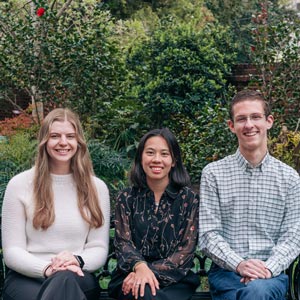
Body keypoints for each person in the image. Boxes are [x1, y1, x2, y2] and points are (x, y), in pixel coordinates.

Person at [199, 89, 300, 300]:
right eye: (241, 119)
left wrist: (266, 269)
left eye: (255, 117)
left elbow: (293, 236)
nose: (249, 125)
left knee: (256, 291)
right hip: (227, 272)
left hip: (270, 275)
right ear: (231, 126)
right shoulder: (214, 174)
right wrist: (240, 265)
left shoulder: (290, 179)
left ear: (269, 121)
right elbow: (209, 235)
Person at [1, 108, 110, 300]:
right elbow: (12, 251)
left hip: (77, 274)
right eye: (55, 136)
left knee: (65, 281)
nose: (63, 142)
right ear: (44, 141)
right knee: (61, 289)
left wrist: (76, 260)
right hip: (27, 277)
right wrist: (47, 269)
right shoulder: (19, 184)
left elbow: (98, 247)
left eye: (70, 136)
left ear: (79, 142)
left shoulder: (96, 188)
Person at [108, 128, 200, 300]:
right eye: (150, 153)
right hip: (129, 275)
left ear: (173, 161)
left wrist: (146, 273)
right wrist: (139, 267)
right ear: (141, 158)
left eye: (164, 154)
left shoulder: (189, 199)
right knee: (144, 293)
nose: (157, 160)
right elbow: (123, 243)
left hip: (175, 279)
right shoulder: (127, 198)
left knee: (147, 293)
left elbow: (185, 251)